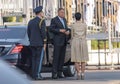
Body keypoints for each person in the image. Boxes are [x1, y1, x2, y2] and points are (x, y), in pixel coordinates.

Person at [50, 8, 70, 79]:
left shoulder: (64, 20)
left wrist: (67, 31)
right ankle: (54, 73)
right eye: (61, 12)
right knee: (56, 57)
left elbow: (66, 28)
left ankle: (60, 72)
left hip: (64, 41)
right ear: (58, 13)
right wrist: (59, 30)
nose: (63, 14)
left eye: (63, 13)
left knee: (62, 58)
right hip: (57, 41)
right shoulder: (54, 20)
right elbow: (51, 29)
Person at [27, 6, 47, 80]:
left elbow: (28, 33)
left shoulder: (30, 21)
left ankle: (33, 74)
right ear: (40, 13)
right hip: (39, 43)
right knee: (39, 59)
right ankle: (37, 74)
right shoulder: (41, 21)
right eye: (42, 12)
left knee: (33, 59)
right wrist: (44, 42)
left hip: (32, 43)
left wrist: (31, 40)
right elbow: (43, 33)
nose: (43, 14)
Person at [71, 12, 89, 80]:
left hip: (76, 41)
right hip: (83, 41)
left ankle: (78, 73)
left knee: (76, 59)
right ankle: (83, 73)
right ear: (80, 17)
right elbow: (85, 33)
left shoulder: (73, 25)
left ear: (75, 17)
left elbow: (72, 35)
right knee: (83, 59)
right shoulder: (84, 25)